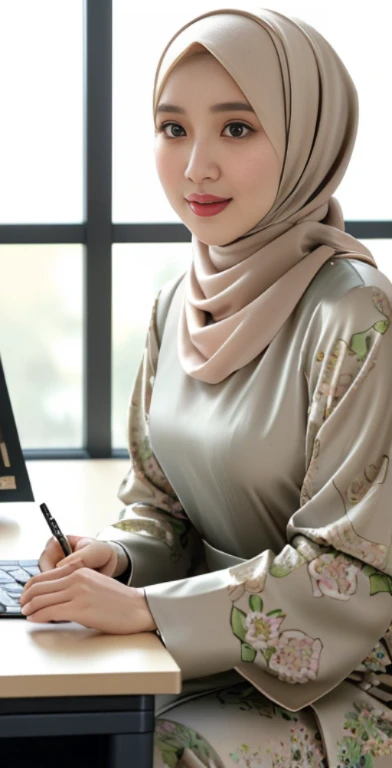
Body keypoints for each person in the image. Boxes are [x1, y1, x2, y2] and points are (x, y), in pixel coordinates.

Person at [20, 7, 392, 767]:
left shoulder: (358, 316)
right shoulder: (175, 305)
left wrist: (146, 608)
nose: (195, 168)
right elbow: (158, 505)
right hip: (203, 655)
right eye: (172, 128)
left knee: (141, 745)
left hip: (349, 688)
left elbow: (348, 575)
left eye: (236, 129)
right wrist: (118, 560)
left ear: (309, 143)